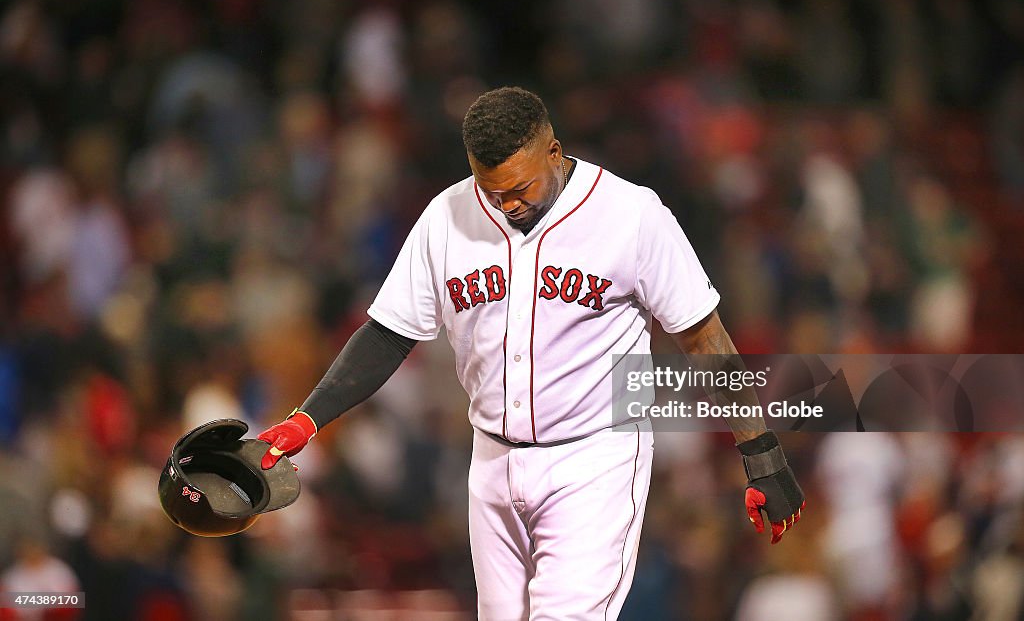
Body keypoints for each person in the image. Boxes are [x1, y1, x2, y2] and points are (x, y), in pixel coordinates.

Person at [258, 87, 805, 620]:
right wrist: (307, 420)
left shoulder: (631, 214)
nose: (508, 203)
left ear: (554, 151)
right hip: (491, 458)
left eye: (520, 188)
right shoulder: (446, 216)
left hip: (593, 458)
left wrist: (763, 459)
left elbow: (705, 339)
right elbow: (388, 334)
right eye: (492, 191)